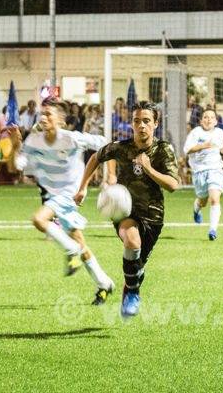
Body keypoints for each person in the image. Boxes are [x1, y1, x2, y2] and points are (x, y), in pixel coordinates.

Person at [75, 101, 180, 317]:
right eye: (137, 121)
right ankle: (132, 292)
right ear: (131, 123)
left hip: (153, 216)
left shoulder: (163, 149)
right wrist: (83, 187)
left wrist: (148, 168)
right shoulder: (121, 148)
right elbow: (96, 157)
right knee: (132, 241)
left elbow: (173, 185)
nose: (141, 125)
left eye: (146, 121)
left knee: (137, 266)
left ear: (156, 124)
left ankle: (131, 284)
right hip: (125, 212)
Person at [9, 97, 114, 304]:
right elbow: (17, 167)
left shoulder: (72, 138)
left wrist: (111, 176)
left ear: (60, 120)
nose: (44, 117)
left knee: (39, 219)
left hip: (69, 195)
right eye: (43, 114)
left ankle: (70, 251)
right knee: (80, 242)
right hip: (54, 195)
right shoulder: (34, 141)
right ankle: (104, 283)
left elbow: (107, 146)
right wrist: (15, 146)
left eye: (49, 114)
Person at [185, 108, 223, 240]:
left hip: (215, 169)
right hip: (199, 171)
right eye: (205, 117)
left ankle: (212, 230)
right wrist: (203, 146)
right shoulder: (195, 133)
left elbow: (219, 145)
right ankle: (196, 209)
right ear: (201, 121)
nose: (208, 119)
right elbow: (187, 149)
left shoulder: (219, 133)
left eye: (211, 117)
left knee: (214, 198)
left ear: (216, 121)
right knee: (203, 201)